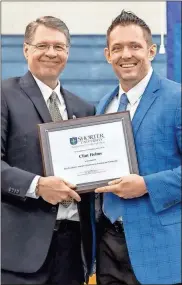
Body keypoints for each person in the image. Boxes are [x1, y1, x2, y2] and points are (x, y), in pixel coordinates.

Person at [1, 16, 96, 285]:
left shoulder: (84, 109)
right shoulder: (4, 94)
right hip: (19, 251)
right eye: (43, 45)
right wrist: (38, 186)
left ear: (67, 52)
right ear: (26, 49)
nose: (51, 53)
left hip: (73, 249)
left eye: (59, 47)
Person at [95, 10, 181, 285]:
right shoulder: (102, 106)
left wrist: (147, 185)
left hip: (163, 250)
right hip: (108, 247)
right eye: (117, 48)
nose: (126, 54)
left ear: (152, 51)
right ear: (108, 55)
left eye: (135, 46)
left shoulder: (177, 98)